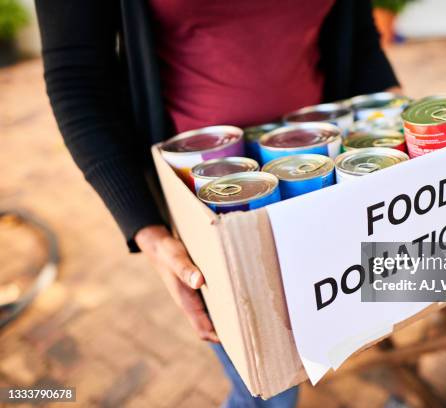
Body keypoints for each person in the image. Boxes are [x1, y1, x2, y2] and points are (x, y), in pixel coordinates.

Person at [35, 1, 400, 406]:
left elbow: (358, 34)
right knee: (269, 390)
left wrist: (396, 122)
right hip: (206, 198)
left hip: (323, 166)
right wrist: (151, 233)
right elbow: (77, 80)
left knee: (341, 310)